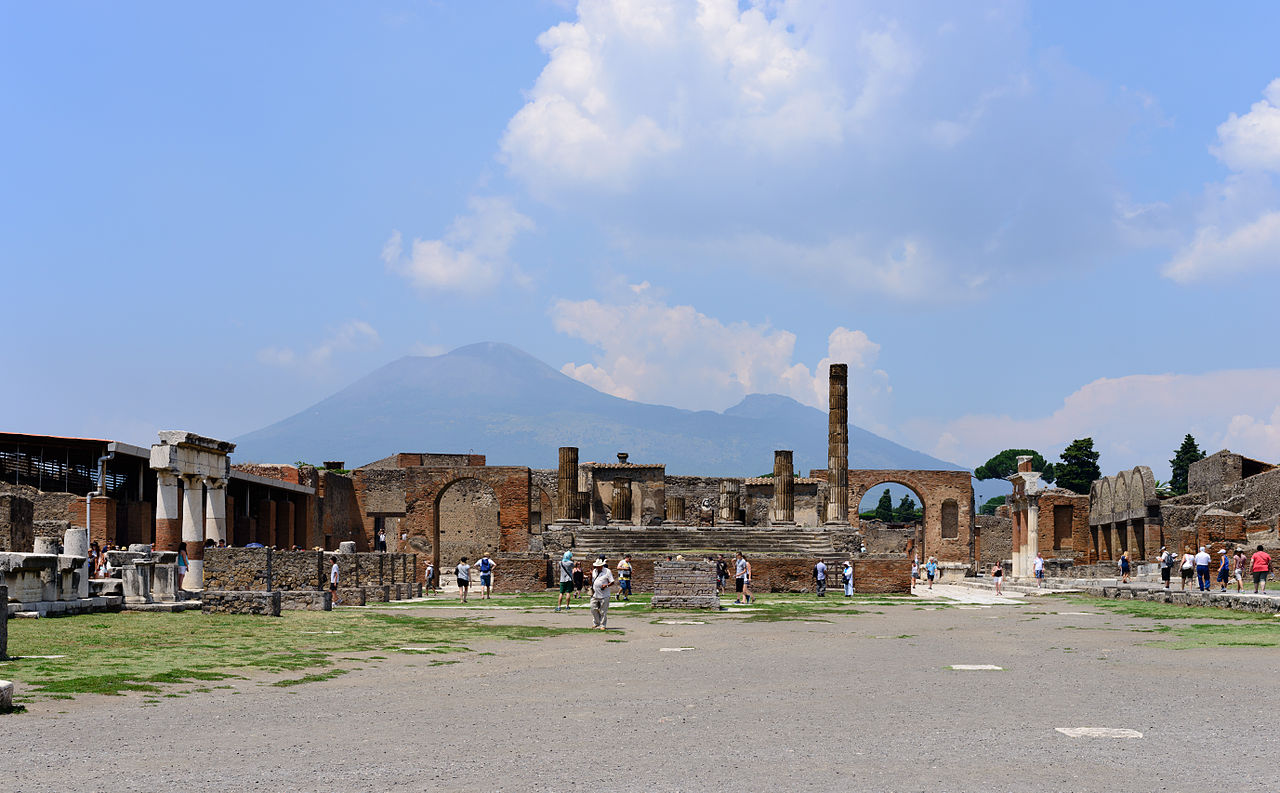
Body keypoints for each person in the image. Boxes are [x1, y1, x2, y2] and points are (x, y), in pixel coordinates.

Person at [590, 556, 615, 630]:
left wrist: (606, 585)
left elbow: (612, 582)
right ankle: (596, 622)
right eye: (596, 566)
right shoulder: (594, 571)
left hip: (604, 595)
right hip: (595, 594)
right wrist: (590, 576)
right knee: (593, 609)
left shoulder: (607, 571)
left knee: (603, 611)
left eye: (598, 566)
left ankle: (602, 625)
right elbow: (592, 581)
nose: (597, 567)